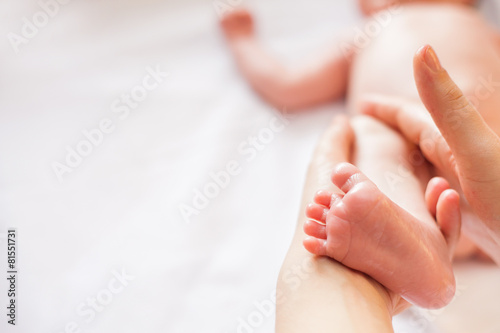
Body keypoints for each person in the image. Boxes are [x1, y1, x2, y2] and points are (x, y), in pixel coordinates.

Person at [220, 0, 500, 308]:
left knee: (374, 138)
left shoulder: (483, 27)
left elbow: (289, 87)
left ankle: (423, 239)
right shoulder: (365, 34)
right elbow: (287, 85)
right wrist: (243, 41)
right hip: (454, 175)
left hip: (481, 160)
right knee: (373, 137)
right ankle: (419, 240)